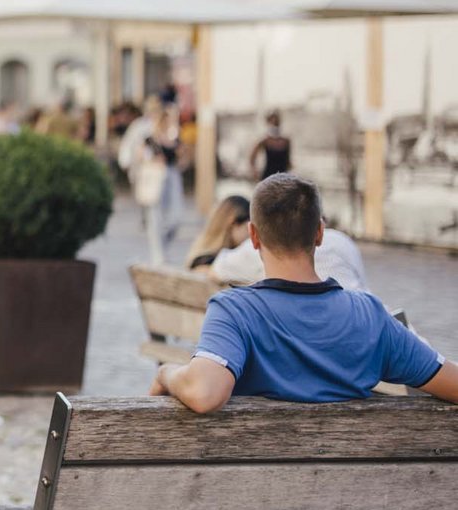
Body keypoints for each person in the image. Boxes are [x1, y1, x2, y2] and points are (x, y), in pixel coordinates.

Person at [150, 173, 457, 413]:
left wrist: (166, 373)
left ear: (254, 237)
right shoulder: (371, 317)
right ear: (320, 233)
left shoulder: (235, 312)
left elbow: (204, 394)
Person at [210, 222, 368, 292]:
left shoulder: (252, 251)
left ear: (253, 234)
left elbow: (215, 270)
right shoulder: (341, 241)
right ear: (320, 231)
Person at [140, 106, 183, 265]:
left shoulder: (174, 138)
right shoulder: (150, 139)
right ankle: (158, 253)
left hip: (172, 176)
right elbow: (142, 155)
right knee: (155, 217)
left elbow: (183, 156)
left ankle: (162, 247)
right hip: (156, 178)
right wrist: (153, 159)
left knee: (175, 218)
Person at [185, 195, 251, 271]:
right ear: (233, 223)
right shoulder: (211, 264)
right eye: (247, 228)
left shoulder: (199, 258)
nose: (250, 234)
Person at [250, 111, 292, 180]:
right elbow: (252, 158)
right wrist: (254, 171)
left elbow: (288, 161)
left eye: (277, 122)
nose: (275, 124)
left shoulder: (286, 141)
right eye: (272, 122)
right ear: (268, 123)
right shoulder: (264, 141)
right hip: (268, 176)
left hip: (283, 176)